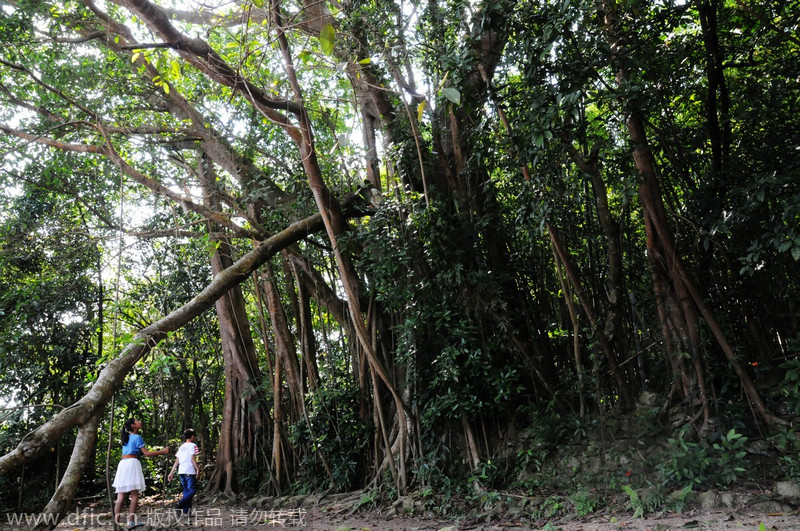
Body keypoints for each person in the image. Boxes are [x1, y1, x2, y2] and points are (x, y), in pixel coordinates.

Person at [112, 418, 169, 528]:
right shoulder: (137, 437)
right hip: (132, 463)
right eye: (138, 421)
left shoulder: (125, 437)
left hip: (123, 464)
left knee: (120, 496)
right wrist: (163, 451)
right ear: (133, 425)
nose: (140, 422)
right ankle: (130, 522)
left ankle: (116, 523)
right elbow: (146, 454)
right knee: (134, 495)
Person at [168, 428, 200, 516]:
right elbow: (192, 458)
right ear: (192, 436)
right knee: (192, 489)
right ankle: (179, 504)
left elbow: (177, 460)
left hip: (181, 471)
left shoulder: (181, 447)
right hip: (189, 470)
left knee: (186, 490)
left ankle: (186, 512)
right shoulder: (193, 445)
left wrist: (171, 472)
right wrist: (197, 468)